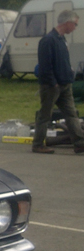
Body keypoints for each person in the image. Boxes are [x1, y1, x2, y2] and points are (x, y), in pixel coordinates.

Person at [33, 10, 83, 154]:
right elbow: (45, 65)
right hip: (52, 86)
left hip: (65, 84)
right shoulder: (48, 40)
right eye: (75, 24)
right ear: (67, 23)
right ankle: (37, 144)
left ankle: (79, 142)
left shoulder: (62, 39)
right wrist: (53, 83)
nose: (75, 27)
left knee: (72, 114)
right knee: (45, 115)